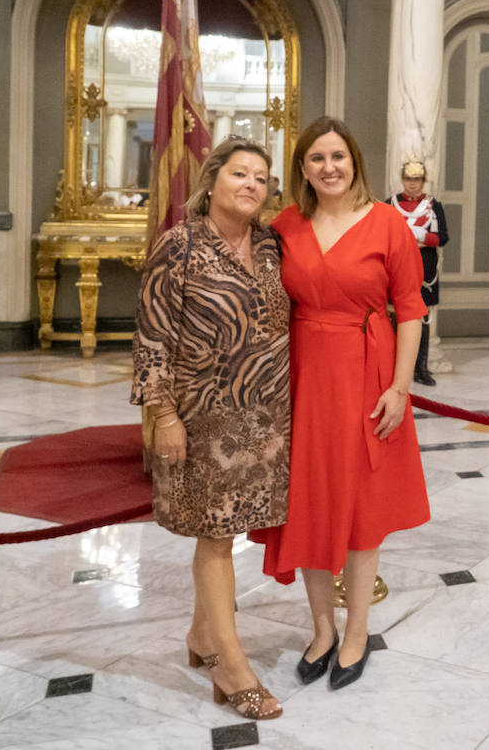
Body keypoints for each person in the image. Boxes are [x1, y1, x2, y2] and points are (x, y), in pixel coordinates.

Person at [251, 117, 430, 691]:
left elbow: (411, 311)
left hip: (366, 371)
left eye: (338, 156)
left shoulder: (387, 224)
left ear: (354, 161)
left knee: (359, 509)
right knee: (307, 502)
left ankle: (356, 632)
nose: (329, 167)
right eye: (316, 159)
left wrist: (400, 388)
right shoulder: (285, 225)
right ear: (302, 169)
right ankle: (321, 629)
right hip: (301, 377)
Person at [132, 137, 290, 722]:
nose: (252, 184)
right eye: (240, 173)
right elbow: (150, 338)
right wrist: (164, 416)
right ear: (213, 179)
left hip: (265, 419)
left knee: (235, 531)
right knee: (216, 536)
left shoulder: (272, 246)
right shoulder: (179, 245)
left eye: (261, 177)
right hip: (200, 420)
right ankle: (231, 666)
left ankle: (202, 635)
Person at [387, 158, 450, 386]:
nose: (413, 184)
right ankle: (393, 367)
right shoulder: (390, 204)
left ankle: (421, 368)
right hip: (397, 269)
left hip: (425, 270)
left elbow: (443, 237)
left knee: (422, 320)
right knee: (395, 320)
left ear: (423, 181)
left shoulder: (434, 206)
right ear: (402, 180)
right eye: (409, 179)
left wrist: (422, 237)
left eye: (417, 179)